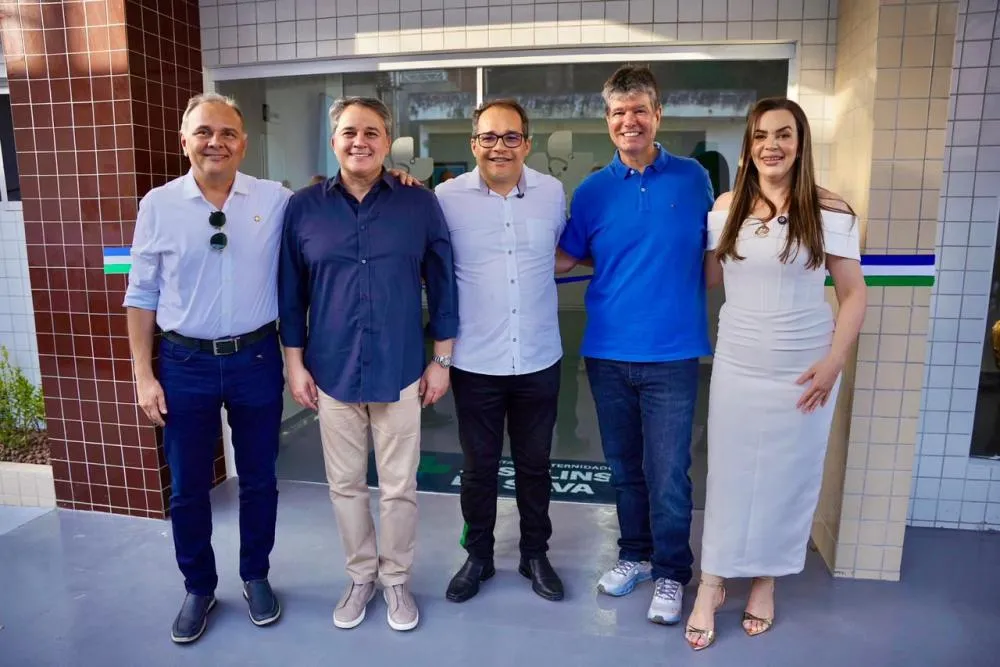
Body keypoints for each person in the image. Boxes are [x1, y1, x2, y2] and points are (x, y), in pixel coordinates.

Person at [683, 97, 866, 651]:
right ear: (748, 146)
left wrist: (833, 363)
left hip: (804, 368)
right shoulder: (727, 205)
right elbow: (708, 278)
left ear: (800, 143)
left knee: (788, 477)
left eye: (784, 134)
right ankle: (712, 582)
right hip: (738, 363)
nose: (772, 145)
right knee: (730, 476)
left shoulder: (829, 209)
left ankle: (765, 580)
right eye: (761, 135)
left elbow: (854, 294)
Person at [278, 96, 458, 632]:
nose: (360, 141)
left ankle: (396, 579)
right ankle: (360, 575)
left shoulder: (418, 203)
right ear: (334, 141)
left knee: (399, 487)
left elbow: (443, 284)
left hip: (400, 369)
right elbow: (291, 292)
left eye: (372, 132)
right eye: (350, 132)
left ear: (387, 142)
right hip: (331, 372)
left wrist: (441, 359)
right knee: (345, 485)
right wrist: (294, 364)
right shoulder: (304, 207)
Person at [124, 92, 291, 644]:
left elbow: (332, 208)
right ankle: (199, 586)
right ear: (184, 142)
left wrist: (397, 180)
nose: (215, 141)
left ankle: (256, 575)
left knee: (260, 479)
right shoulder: (158, 204)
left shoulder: (275, 199)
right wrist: (144, 375)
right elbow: (141, 293)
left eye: (226, 133)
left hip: (256, 358)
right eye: (203, 132)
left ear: (243, 143)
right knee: (188, 486)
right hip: (184, 363)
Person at [555, 64, 713, 625]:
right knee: (624, 467)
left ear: (657, 115)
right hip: (607, 353)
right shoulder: (592, 191)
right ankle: (636, 556)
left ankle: (672, 572)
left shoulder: (694, 178)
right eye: (619, 112)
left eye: (640, 110)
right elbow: (564, 256)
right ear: (608, 120)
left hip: (672, 355)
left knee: (668, 472)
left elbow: (723, 242)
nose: (630, 121)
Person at [435, 99, 567, 603]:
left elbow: (563, 253)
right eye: (489, 137)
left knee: (536, 465)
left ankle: (535, 553)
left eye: (511, 137)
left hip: (538, 356)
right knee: (478, 468)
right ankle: (479, 556)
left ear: (526, 144)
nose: (500, 147)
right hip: (476, 361)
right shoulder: (446, 198)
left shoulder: (552, 193)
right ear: (474, 144)